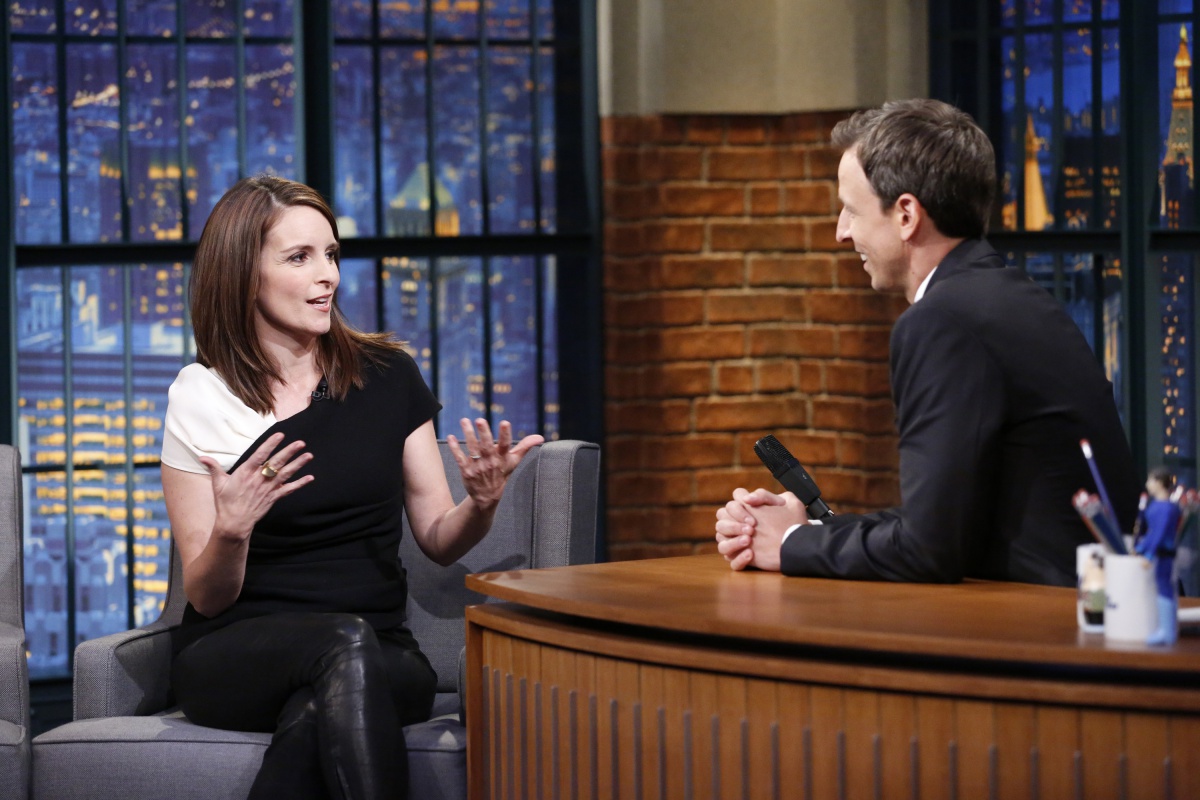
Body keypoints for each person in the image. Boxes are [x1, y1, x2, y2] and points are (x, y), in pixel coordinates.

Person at [160, 174, 543, 798]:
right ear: (243, 274)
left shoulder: (387, 376)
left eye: (332, 254)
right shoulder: (200, 397)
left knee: (324, 692)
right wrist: (231, 531)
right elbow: (207, 599)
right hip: (238, 651)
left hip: (381, 648)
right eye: (299, 257)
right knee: (334, 653)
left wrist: (481, 503)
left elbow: (440, 540)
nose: (328, 276)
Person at [715, 99, 1138, 586]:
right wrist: (803, 529)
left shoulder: (943, 321)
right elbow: (947, 525)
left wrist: (790, 546)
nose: (841, 232)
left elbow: (929, 551)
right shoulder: (1003, 296)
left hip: (1045, 636)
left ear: (906, 215)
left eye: (851, 210)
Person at [1135, 467, 1180, 645]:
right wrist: (1141, 547)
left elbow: (1159, 534)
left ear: (1160, 483)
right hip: (1159, 554)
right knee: (1162, 588)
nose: (1147, 484)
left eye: (1150, 480)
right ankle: (1165, 630)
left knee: (1164, 589)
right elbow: (1152, 534)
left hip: (1163, 556)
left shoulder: (1166, 508)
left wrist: (1149, 554)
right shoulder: (1158, 506)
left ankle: (1167, 632)